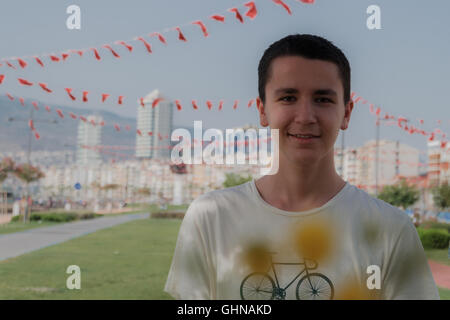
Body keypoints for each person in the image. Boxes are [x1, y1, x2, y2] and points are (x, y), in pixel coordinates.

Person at [164, 34, 439, 300]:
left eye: (323, 99)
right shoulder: (211, 217)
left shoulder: (391, 229)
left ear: (346, 113)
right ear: (262, 110)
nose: (305, 116)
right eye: (288, 98)